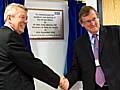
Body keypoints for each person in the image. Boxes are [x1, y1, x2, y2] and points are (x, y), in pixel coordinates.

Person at [0, 3, 68, 90]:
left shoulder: (2, 35)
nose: (26, 21)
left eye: (26, 18)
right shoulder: (10, 37)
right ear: (10, 18)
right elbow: (31, 64)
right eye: (22, 17)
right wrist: (58, 80)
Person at [60, 6, 120, 90]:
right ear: (82, 24)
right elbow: (76, 68)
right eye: (88, 21)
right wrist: (68, 81)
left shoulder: (116, 32)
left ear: (98, 18)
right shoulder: (79, 44)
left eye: (94, 19)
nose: (92, 23)